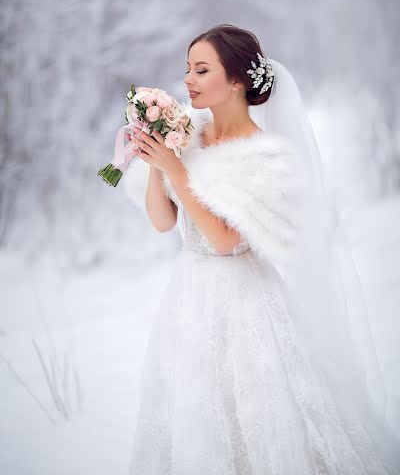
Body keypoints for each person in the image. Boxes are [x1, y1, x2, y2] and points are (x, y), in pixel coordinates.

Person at [123, 24, 400, 474]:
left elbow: (228, 242)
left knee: (258, 413)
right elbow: (162, 222)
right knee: (196, 412)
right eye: (187, 69)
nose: (188, 80)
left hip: (245, 302)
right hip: (188, 298)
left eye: (201, 69)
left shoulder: (268, 155)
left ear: (236, 80)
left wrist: (175, 169)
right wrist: (158, 159)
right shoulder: (187, 133)